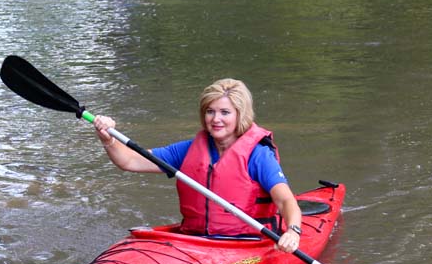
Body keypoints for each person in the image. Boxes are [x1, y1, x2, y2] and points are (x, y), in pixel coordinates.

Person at [93, 78, 304, 254]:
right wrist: (108, 139)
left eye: (225, 112)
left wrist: (292, 231)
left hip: (246, 243)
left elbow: (285, 200)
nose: (216, 119)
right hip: (195, 242)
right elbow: (129, 161)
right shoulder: (189, 150)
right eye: (210, 111)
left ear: (241, 115)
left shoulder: (258, 155)